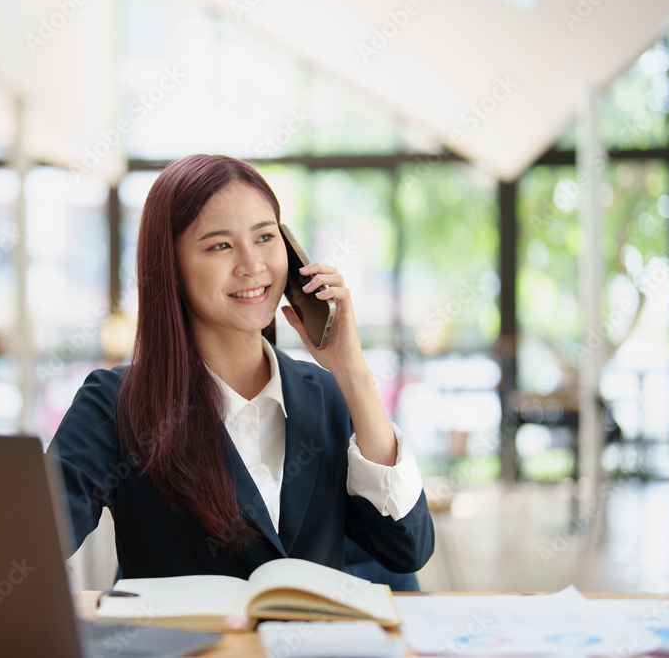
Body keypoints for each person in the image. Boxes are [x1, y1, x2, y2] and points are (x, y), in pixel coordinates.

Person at [46, 154, 433, 581]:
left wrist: (353, 372)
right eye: (220, 245)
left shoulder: (327, 395)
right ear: (170, 267)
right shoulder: (117, 402)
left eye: (265, 237)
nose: (252, 265)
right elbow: (36, 540)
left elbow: (407, 549)